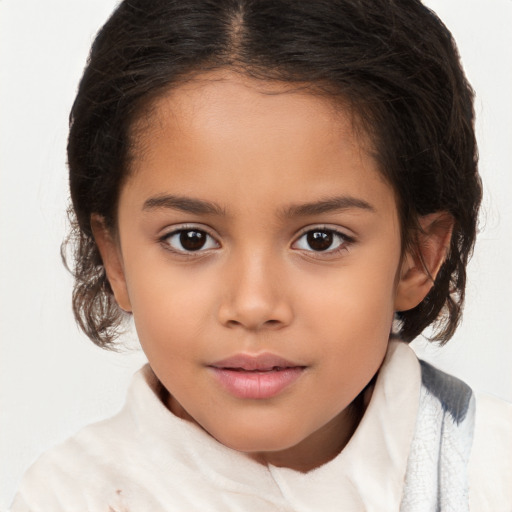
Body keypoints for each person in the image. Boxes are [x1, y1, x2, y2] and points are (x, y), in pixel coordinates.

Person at [9, 0, 511, 510]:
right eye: (190, 239)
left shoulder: (492, 472)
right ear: (115, 258)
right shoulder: (69, 497)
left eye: (321, 239)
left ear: (417, 257)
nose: (253, 305)